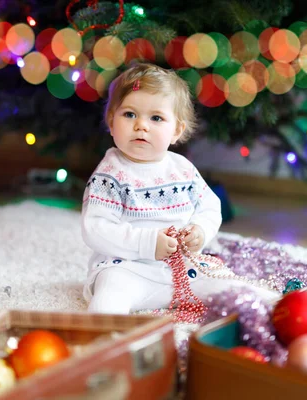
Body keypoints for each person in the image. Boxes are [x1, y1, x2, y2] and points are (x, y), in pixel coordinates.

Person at [81, 63, 277, 314]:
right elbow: (96, 229)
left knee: (234, 290)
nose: (141, 125)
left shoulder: (182, 168)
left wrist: (200, 231)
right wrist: (148, 243)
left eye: (156, 118)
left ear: (176, 130)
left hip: (185, 269)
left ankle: (278, 307)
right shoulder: (110, 174)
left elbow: (209, 206)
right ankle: (107, 340)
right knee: (108, 299)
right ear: (111, 122)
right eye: (129, 114)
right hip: (128, 269)